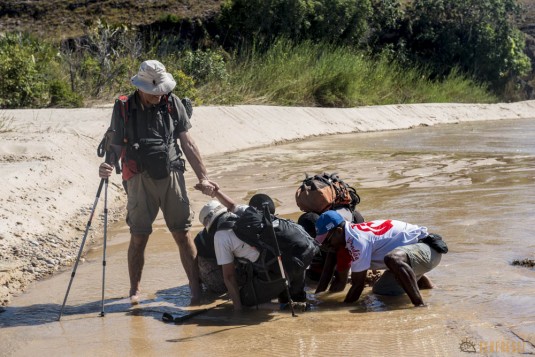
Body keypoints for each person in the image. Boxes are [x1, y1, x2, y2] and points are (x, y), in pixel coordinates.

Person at [98, 60, 218, 305]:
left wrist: (203, 177)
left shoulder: (173, 103)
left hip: (172, 174)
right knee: (139, 236)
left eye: (161, 90)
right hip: (138, 177)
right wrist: (108, 163)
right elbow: (116, 142)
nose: (158, 95)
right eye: (154, 92)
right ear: (141, 87)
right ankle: (135, 291)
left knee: (182, 234)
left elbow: (188, 143)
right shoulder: (123, 107)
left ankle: (196, 290)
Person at [198, 189, 317, 311]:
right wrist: (216, 191)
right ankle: (302, 303)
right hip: (299, 258)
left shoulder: (221, 236)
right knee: (297, 296)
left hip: (279, 272)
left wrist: (238, 310)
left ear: (209, 226)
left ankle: (285, 307)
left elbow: (229, 277)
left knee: (244, 301)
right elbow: (233, 204)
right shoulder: (246, 211)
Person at [314, 210, 445, 306]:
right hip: (415, 255)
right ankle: (427, 286)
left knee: (392, 259)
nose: (327, 246)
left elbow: (357, 285)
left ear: (338, 231)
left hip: (428, 250)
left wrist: (342, 310)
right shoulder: (352, 235)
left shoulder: (357, 240)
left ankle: (419, 305)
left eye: (327, 241)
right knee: (382, 291)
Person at [193, 192, 276, 295]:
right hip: (218, 273)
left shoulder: (202, 238)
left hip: (216, 276)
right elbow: (229, 274)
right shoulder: (222, 234)